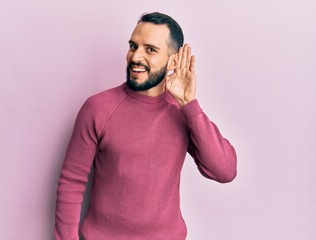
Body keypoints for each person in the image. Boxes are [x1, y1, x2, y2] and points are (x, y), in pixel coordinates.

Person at [54, 12, 237, 240]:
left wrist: (189, 104)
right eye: (133, 46)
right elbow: (72, 181)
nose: (136, 57)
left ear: (173, 60)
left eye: (150, 49)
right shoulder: (98, 108)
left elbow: (225, 171)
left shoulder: (183, 113)